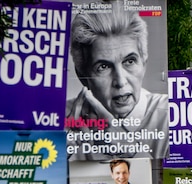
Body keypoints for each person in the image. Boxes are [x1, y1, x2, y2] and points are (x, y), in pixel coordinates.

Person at [65, 4, 168, 161]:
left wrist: (128, 148)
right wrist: (60, 150)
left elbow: (185, 182)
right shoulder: (60, 121)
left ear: (144, 64)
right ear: (82, 76)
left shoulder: (171, 116)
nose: (120, 81)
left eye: (129, 61)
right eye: (103, 67)